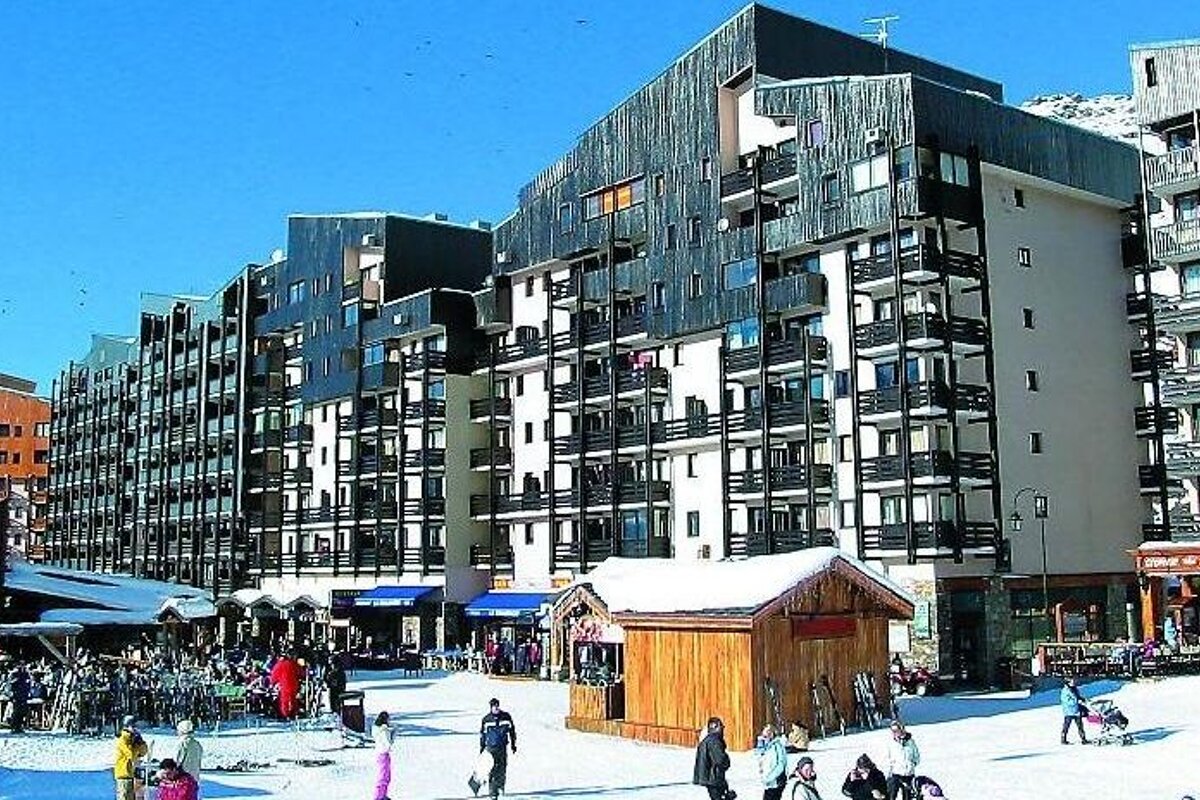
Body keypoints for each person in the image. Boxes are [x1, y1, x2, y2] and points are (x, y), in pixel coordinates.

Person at [480, 697, 517, 799]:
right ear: (490, 707)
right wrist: (482, 747)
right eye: (493, 706)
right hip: (491, 748)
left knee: (502, 768)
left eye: (497, 705)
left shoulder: (506, 717)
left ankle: (500, 787)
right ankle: (493, 792)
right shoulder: (486, 720)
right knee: (492, 769)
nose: (495, 708)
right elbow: (482, 734)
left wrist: (513, 744)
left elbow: (512, 731)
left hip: (502, 747)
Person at [693, 716, 732, 800]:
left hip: (711, 778)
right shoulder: (714, 741)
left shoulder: (707, 739)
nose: (722, 729)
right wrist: (727, 761)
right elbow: (720, 760)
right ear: (715, 727)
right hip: (714, 777)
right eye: (721, 726)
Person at [113, 715, 148, 800]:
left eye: (136, 726)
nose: (135, 728)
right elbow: (131, 755)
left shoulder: (133, 738)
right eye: (133, 726)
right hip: (123, 774)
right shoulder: (123, 739)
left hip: (131, 774)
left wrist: (141, 742)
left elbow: (143, 752)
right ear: (127, 726)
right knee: (124, 797)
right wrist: (136, 747)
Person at [884, 722, 920, 800]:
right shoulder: (891, 743)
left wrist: (912, 764)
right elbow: (887, 757)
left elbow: (916, 756)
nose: (894, 733)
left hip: (908, 774)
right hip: (896, 774)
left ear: (902, 729)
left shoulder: (910, 742)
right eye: (893, 731)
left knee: (907, 796)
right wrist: (893, 765)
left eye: (896, 730)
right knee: (891, 795)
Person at [756, 723, 788, 800]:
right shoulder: (766, 747)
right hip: (769, 783)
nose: (766, 735)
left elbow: (781, 764)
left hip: (776, 782)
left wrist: (770, 777)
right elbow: (762, 760)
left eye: (769, 732)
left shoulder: (777, 746)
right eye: (765, 733)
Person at [269, 651, 303, 719]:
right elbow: (301, 673)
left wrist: (272, 683)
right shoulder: (293, 664)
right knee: (293, 699)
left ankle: (285, 714)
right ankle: (293, 712)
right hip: (294, 684)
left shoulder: (279, 665)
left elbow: (274, 676)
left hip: (284, 685)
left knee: (284, 700)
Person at [1059, 678, 1089, 745]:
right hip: (1069, 711)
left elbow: (1077, 696)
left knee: (1080, 726)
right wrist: (1076, 701)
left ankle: (1083, 739)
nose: (1074, 682)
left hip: (1076, 710)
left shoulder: (1075, 689)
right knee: (1066, 726)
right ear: (1068, 682)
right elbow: (1066, 701)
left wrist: (1082, 699)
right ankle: (1063, 739)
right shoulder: (1065, 691)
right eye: (1072, 681)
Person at [373, 711, 395, 800]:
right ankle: (378, 797)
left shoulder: (376, 729)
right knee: (383, 777)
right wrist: (393, 735)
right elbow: (388, 743)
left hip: (379, 754)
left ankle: (382, 795)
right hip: (384, 754)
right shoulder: (384, 730)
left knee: (385, 776)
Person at [8, 662, 30, 733]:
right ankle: (14, 726)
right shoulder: (14, 674)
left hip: (23, 695)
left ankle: (19, 726)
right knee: (16, 711)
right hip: (16, 695)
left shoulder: (25, 674)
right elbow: (11, 684)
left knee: (22, 711)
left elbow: (27, 683)